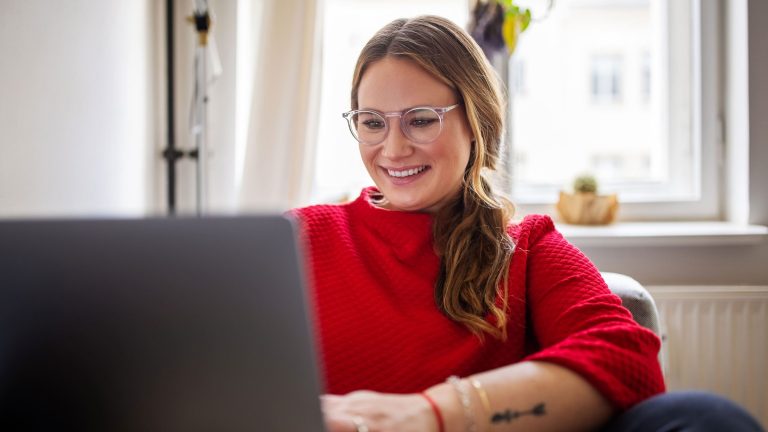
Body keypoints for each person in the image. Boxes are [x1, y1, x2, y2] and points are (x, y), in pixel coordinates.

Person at [291, 15, 764, 432]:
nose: (392, 149)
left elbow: (628, 361)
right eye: (372, 122)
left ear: (476, 122)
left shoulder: (526, 247)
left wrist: (433, 414)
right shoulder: (297, 239)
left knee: (706, 417)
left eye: (420, 120)